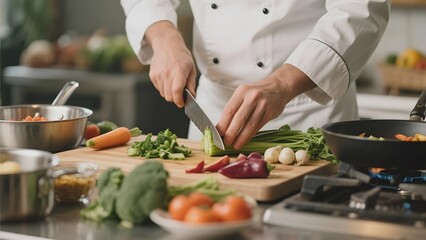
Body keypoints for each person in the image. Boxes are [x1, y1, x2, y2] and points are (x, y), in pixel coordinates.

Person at [120, 0, 390, 149]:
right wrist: (164, 36)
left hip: (308, 114)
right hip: (214, 112)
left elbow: (361, 8)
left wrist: (284, 82)